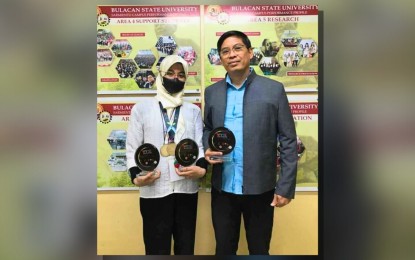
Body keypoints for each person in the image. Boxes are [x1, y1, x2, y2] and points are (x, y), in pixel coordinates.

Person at [203, 30, 298, 255]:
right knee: (224, 249)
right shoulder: (212, 92)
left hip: (260, 189)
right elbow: (208, 128)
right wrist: (208, 146)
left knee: (259, 249)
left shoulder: (273, 90)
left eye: (237, 48)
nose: (231, 55)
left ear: (250, 52)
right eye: (225, 51)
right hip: (223, 188)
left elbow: (288, 139)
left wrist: (285, 186)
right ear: (220, 58)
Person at [126, 55, 208, 255]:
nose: (175, 78)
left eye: (181, 75)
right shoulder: (141, 109)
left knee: (185, 247)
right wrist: (137, 177)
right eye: (170, 73)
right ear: (160, 75)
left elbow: (199, 146)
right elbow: (132, 147)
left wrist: (202, 168)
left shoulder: (192, 111)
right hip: (153, 188)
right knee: (156, 248)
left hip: (185, 190)